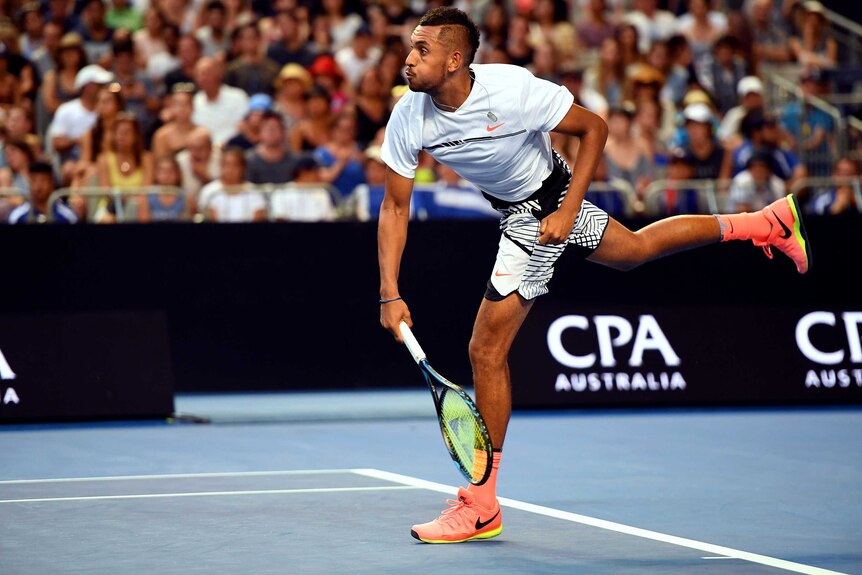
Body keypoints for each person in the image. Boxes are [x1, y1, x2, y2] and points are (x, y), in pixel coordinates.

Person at [377, 7, 811, 545]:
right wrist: (389, 292)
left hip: (542, 213)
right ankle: (763, 223)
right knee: (634, 250)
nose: (409, 58)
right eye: (410, 47)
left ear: (454, 59)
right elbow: (395, 207)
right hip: (523, 208)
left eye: (422, 49)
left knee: (485, 351)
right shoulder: (408, 116)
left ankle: (482, 504)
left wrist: (565, 211)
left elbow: (593, 128)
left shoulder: (510, 90)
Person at [8, 160, 78, 224]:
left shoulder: (68, 216)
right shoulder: (17, 217)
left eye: (43, 180)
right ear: (29, 184)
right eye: (34, 181)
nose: (39, 186)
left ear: (51, 183)